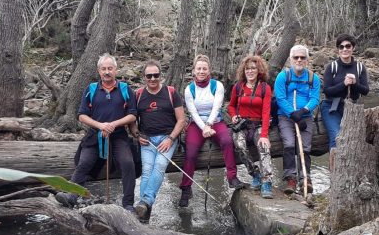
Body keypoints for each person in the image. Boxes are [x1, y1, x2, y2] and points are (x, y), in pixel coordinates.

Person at [55, 54, 137, 211]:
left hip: (119, 135)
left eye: (110, 68)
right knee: (84, 163)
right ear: (99, 71)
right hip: (94, 136)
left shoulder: (125, 89)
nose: (107, 72)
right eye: (104, 69)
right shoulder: (91, 89)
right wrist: (100, 125)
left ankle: (128, 204)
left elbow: (133, 115)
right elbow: (81, 115)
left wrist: (113, 124)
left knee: (128, 163)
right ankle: (71, 196)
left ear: (116, 69)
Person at [179, 54, 245, 207]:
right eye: (199, 68)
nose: (201, 71)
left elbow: (217, 107)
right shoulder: (189, 89)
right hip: (197, 123)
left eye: (204, 69)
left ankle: (232, 177)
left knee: (227, 141)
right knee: (191, 153)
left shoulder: (217, 86)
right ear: (194, 71)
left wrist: (209, 124)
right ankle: (186, 188)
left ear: (209, 70)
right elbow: (193, 112)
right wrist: (204, 128)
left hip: (215, 121)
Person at [128, 60, 186, 222]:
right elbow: (132, 121)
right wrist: (137, 135)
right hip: (147, 140)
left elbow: (181, 120)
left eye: (156, 75)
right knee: (146, 170)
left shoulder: (171, 92)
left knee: (159, 166)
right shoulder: (138, 94)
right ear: (144, 77)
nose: (153, 79)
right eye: (149, 76)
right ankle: (144, 211)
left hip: (168, 138)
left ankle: (144, 203)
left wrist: (170, 139)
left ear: (161, 75)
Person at [274, 45, 321, 195]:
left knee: (305, 148)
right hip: (286, 117)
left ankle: (305, 179)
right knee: (288, 144)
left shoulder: (313, 78)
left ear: (307, 60)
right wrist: (293, 113)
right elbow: (280, 98)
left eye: (302, 57)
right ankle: (291, 179)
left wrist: (303, 111)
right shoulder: (283, 76)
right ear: (290, 59)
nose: (299, 60)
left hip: (305, 117)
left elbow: (315, 98)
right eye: (296, 57)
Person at [321, 34, 369, 170]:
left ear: (353, 48)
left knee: (353, 141)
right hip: (332, 107)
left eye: (348, 46)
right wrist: (344, 83)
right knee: (336, 137)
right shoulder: (332, 67)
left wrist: (354, 83)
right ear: (338, 50)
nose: (344, 49)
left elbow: (365, 91)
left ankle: (351, 172)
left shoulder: (360, 67)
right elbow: (327, 91)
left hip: (352, 108)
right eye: (341, 47)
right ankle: (335, 175)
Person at [228, 55, 274, 198]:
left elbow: (266, 112)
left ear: (259, 70)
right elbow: (231, 106)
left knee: (263, 147)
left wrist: (265, 135)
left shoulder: (265, 88)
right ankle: (255, 174)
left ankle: (267, 182)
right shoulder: (238, 86)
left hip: (258, 124)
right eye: (247, 69)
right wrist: (234, 115)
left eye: (253, 68)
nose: (250, 71)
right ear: (244, 70)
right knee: (239, 145)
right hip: (242, 124)